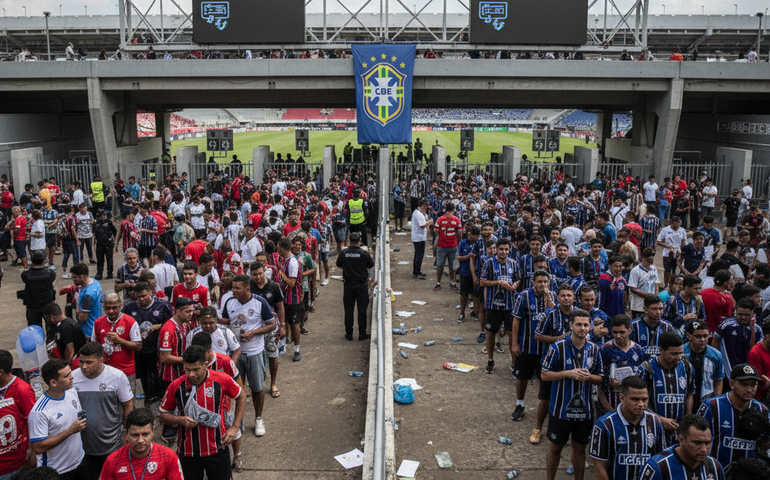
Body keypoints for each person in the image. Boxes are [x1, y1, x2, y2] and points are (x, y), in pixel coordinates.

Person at [159, 345, 245, 480]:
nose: (191, 374)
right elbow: (163, 415)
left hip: (218, 449)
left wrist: (235, 427)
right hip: (188, 453)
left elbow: (241, 396)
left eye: (196, 369)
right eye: (187, 370)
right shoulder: (176, 386)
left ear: (206, 364)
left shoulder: (221, 380)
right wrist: (180, 420)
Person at [541, 309, 604, 480]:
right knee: (556, 447)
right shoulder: (557, 347)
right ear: (571, 325)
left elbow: (600, 378)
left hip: (585, 411)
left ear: (590, 327)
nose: (582, 328)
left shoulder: (594, 349)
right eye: (578, 324)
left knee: (580, 448)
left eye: (585, 325)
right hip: (560, 409)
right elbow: (544, 374)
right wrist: (569, 373)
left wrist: (589, 377)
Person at [220, 275, 275, 437]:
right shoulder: (229, 302)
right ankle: (238, 421)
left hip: (254, 352)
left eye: (237, 288)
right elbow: (226, 321)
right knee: (236, 389)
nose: (234, 291)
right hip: (235, 354)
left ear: (247, 289)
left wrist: (253, 332)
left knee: (257, 388)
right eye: (233, 288)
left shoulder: (260, 302)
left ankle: (258, 419)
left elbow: (272, 324)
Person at [72, 342, 133, 480]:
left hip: (112, 445)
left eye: (89, 362)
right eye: (81, 362)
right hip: (83, 447)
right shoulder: (73, 378)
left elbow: (128, 405)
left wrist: (127, 431)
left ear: (101, 360)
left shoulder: (117, 377)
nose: (84, 366)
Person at [590, 376, 665, 480]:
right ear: (622, 398)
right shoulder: (604, 425)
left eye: (644, 399)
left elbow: (659, 460)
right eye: (635, 399)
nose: (641, 404)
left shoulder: (655, 422)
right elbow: (599, 467)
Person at [697, 363, 769, 467]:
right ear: (731, 384)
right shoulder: (712, 406)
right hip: (715, 471)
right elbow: (695, 438)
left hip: (748, 472)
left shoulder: (762, 410)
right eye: (744, 384)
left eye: (753, 385)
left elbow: (764, 445)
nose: (749, 389)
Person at [532, 284, 576, 443]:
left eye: (569, 295)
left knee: (570, 399)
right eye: (563, 295)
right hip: (551, 364)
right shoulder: (549, 314)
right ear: (557, 298)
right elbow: (538, 336)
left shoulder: (579, 315)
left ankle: (567, 433)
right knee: (545, 399)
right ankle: (538, 428)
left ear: (574, 298)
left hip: (573, 365)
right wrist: (559, 339)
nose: (566, 298)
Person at [29, 359, 86, 480]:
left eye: (70, 373)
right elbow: (38, 447)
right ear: (53, 382)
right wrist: (70, 431)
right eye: (66, 376)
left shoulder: (72, 392)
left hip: (79, 462)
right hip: (57, 472)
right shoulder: (40, 412)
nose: (72, 377)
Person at [636, 331, 695, 448]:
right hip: (652, 429)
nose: (678, 357)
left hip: (678, 430)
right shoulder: (646, 369)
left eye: (680, 353)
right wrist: (661, 420)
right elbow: (638, 401)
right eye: (674, 354)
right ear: (661, 350)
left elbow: (689, 394)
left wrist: (686, 420)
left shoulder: (686, 367)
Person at [99, 408, 183, 480]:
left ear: (153, 431)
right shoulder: (113, 461)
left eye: (145, 434)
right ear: (125, 435)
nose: (140, 440)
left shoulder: (168, 457)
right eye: (135, 435)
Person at [639, 414, 725, 480]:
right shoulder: (659, 467)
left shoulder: (714, 467)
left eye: (707, 443)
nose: (704, 449)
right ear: (681, 439)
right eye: (697, 443)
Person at [158, 297, 194, 442]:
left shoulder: (185, 324)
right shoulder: (168, 329)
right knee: (170, 405)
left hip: (181, 372)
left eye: (192, 311)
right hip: (169, 375)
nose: (191, 314)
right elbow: (165, 357)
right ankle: (168, 431)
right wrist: (188, 361)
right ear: (178, 312)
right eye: (188, 311)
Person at [90, 293, 142, 394]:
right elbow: (93, 346)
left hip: (126, 372)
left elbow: (138, 346)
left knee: (127, 401)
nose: (111, 311)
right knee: (108, 401)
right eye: (108, 308)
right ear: (104, 307)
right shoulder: (98, 322)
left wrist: (120, 340)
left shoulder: (130, 322)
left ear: (120, 306)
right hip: (105, 372)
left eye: (114, 307)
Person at [249, 263, 285, 399]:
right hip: (254, 328)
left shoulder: (273, 286)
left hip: (271, 328)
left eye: (260, 273)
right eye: (255, 274)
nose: (258, 277)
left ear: (265, 272)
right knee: (253, 356)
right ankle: (253, 385)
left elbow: (280, 307)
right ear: (251, 275)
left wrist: (282, 326)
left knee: (273, 354)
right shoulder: (249, 287)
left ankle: (273, 384)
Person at [597, 314, 645, 414]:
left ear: (629, 331)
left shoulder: (637, 349)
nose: (618, 336)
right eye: (615, 332)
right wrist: (608, 409)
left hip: (632, 401)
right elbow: (599, 382)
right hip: (611, 400)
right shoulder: (605, 349)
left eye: (622, 332)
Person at [0, 349, 36, 480]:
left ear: (0, 372)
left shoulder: (22, 390)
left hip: (15, 465)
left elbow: (34, 421)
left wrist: (32, 450)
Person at [335, 231, 374, 341]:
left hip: (348, 284)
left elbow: (338, 264)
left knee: (348, 310)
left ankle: (349, 333)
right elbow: (370, 265)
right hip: (361, 285)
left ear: (349, 240)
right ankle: (362, 333)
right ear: (359, 241)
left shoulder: (344, 253)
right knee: (362, 310)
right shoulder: (364, 253)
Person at [712, 297, 764, 377]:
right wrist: (717, 360)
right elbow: (715, 340)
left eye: (746, 315)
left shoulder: (757, 330)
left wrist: (753, 332)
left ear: (752, 313)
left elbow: (756, 350)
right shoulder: (726, 325)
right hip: (727, 368)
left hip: (747, 369)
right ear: (736, 312)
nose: (743, 317)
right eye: (740, 314)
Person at [683, 321, 725, 406]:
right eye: (698, 336)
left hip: (706, 398)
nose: (702, 340)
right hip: (684, 397)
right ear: (688, 336)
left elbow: (718, 380)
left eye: (705, 336)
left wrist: (716, 401)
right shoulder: (681, 353)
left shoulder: (716, 355)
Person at [43, 302, 86, 367]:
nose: (48, 321)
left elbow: (70, 349)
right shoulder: (69, 322)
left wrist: (67, 366)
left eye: (47, 319)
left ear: (52, 318)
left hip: (74, 363)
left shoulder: (65, 328)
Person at [21, 251, 56, 328]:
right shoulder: (50, 273)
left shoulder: (26, 275)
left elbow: (24, 278)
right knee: (51, 328)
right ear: (44, 261)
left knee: (34, 328)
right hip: (47, 303)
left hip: (32, 305)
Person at [433, 202, 462, 291]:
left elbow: (436, 233)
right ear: (454, 210)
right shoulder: (456, 220)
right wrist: (459, 244)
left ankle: (438, 283)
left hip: (441, 245)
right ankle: (452, 282)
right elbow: (459, 233)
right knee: (452, 266)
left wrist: (434, 247)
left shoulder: (440, 219)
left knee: (440, 265)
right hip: (453, 246)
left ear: (445, 210)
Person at [71, 263, 102, 338]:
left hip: (88, 333)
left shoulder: (87, 295)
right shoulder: (95, 282)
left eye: (75, 278)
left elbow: (82, 318)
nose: (73, 280)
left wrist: (77, 303)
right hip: (96, 325)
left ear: (82, 276)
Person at [628, 247, 660, 318]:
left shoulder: (654, 269)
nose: (651, 257)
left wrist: (656, 297)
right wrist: (648, 296)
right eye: (648, 255)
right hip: (638, 305)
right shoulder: (635, 270)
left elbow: (656, 283)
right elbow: (633, 288)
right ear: (643, 257)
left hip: (651, 305)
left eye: (652, 255)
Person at [456, 226, 480, 321]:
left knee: (475, 295)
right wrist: (467, 257)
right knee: (464, 294)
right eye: (469, 234)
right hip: (465, 272)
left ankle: (476, 313)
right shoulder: (463, 243)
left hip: (477, 272)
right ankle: (462, 313)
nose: (470, 236)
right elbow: (458, 257)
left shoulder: (479, 244)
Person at [701, 270, 735, 334]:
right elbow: (730, 316)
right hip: (719, 331)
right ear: (725, 283)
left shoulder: (702, 293)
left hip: (703, 330)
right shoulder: (727, 297)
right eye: (730, 281)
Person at [657, 216, 687, 287]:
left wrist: (684, 252)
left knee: (675, 269)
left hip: (678, 253)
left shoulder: (682, 230)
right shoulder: (665, 230)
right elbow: (658, 241)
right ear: (671, 223)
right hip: (667, 253)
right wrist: (667, 245)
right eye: (674, 224)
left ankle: (674, 284)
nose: (676, 226)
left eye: (678, 224)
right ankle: (666, 284)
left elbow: (684, 242)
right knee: (667, 269)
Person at [747, 319, 770, 403]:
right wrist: (764, 378)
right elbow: (756, 378)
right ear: (767, 335)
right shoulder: (755, 353)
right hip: (761, 398)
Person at [92, 209, 116, 280]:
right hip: (99, 244)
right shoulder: (96, 223)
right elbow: (94, 233)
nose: (98, 217)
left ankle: (110, 273)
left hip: (108, 244)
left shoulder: (108, 222)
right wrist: (94, 243)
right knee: (100, 260)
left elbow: (114, 230)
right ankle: (99, 273)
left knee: (109, 260)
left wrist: (112, 238)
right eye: (97, 216)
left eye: (99, 215)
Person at [410, 199, 430, 279]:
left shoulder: (420, 213)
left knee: (419, 255)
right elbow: (422, 225)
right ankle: (416, 272)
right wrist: (429, 223)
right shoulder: (418, 213)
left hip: (420, 237)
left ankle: (418, 271)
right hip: (418, 237)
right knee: (418, 255)